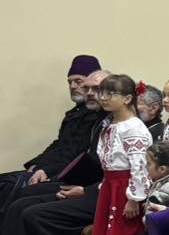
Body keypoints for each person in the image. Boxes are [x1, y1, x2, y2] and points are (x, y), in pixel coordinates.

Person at [0, 54, 103, 216]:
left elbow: (76, 153)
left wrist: (46, 170)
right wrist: (37, 164)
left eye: (78, 82)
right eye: (70, 82)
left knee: (13, 190)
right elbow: (59, 145)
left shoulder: (94, 116)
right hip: (53, 169)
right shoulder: (73, 114)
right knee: (4, 182)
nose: (73, 86)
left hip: (68, 175)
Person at [85, 74, 152, 235]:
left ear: (127, 98)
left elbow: (140, 165)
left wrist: (134, 198)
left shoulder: (133, 127)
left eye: (110, 94)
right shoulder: (109, 124)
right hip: (110, 184)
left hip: (125, 186)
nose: (103, 98)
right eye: (102, 93)